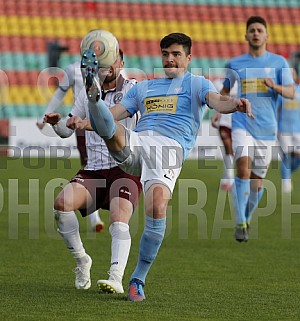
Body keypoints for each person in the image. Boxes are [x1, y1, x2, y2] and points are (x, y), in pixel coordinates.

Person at [82, 32, 252, 301]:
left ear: (188, 58)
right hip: (138, 142)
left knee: (157, 207)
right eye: (165, 54)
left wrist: (235, 104)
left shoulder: (196, 83)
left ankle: (137, 279)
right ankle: (93, 96)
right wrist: (85, 122)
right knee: (112, 131)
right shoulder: (144, 88)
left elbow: (217, 100)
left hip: (169, 151)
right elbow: (114, 114)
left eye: (176, 54)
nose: (170, 59)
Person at [44, 46, 142, 294]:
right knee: (61, 205)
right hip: (95, 170)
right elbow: (68, 130)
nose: (108, 65)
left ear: (121, 62)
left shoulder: (133, 90)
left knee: (119, 220)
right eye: (103, 62)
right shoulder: (86, 95)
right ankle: (82, 260)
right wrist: (58, 124)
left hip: (125, 168)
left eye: (113, 59)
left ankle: (116, 278)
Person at [220, 16, 295, 242]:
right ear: (246, 35)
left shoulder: (279, 63)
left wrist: (276, 86)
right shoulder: (235, 64)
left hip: (267, 127)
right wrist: (219, 110)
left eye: (259, 30)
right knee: (242, 166)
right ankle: (240, 221)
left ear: (266, 35)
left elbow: (292, 92)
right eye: (251, 30)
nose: (255, 33)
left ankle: (246, 217)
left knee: (256, 182)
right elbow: (224, 92)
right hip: (243, 123)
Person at [37, 58, 104, 232]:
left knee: (106, 165)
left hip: (105, 120)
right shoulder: (73, 69)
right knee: (89, 165)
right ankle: (94, 216)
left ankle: (107, 208)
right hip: (80, 121)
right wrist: (44, 116)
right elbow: (60, 92)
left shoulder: (108, 67)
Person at [211, 79, 236, 191]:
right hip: (224, 122)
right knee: (228, 148)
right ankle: (230, 179)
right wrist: (217, 114)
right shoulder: (218, 84)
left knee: (235, 151)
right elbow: (217, 102)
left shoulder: (241, 84)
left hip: (238, 123)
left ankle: (227, 178)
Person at [277, 68, 300, 193]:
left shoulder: (299, 90)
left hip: (298, 129)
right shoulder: (281, 92)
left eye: (292, 74)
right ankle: (285, 182)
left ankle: (288, 173)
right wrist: (276, 129)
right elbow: (276, 111)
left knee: (297, 157)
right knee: (287, 156)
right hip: (284, 129)